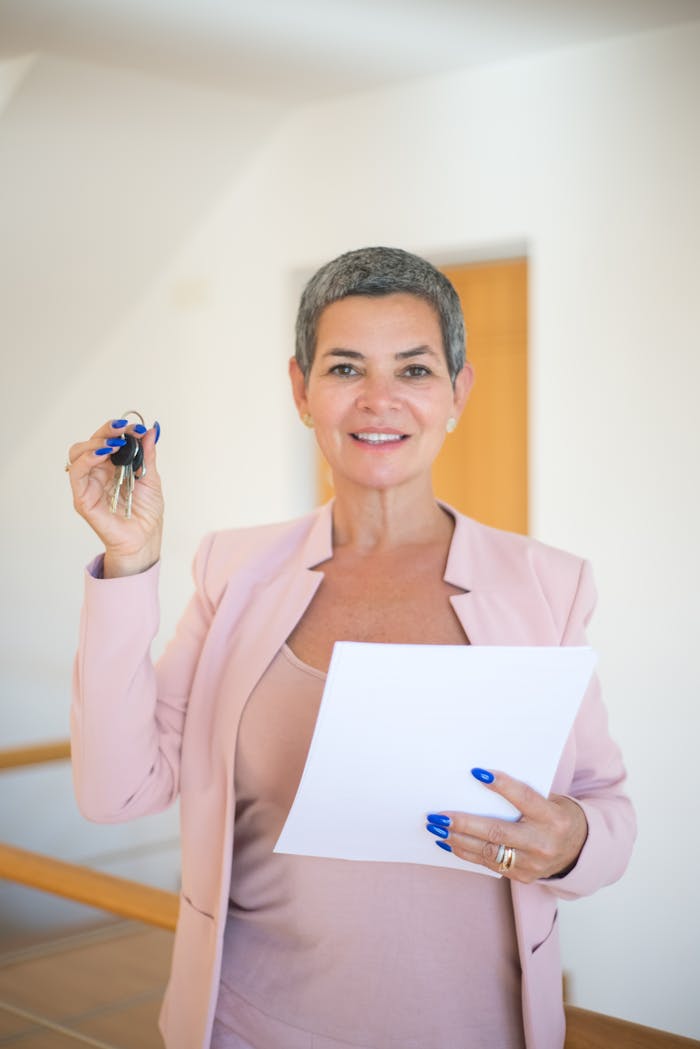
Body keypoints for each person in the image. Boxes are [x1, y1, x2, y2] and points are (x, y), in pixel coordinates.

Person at [67, 247, 635, 1049]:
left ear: (457, 392)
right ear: (301, 389)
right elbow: (114, 791)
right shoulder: (233, 571)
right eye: (344, 368)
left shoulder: (546, 585)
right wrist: (129, 562)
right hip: (248, 1028)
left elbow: (608, 807)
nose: (379, 400)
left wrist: (570, 839)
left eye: (413, 369)